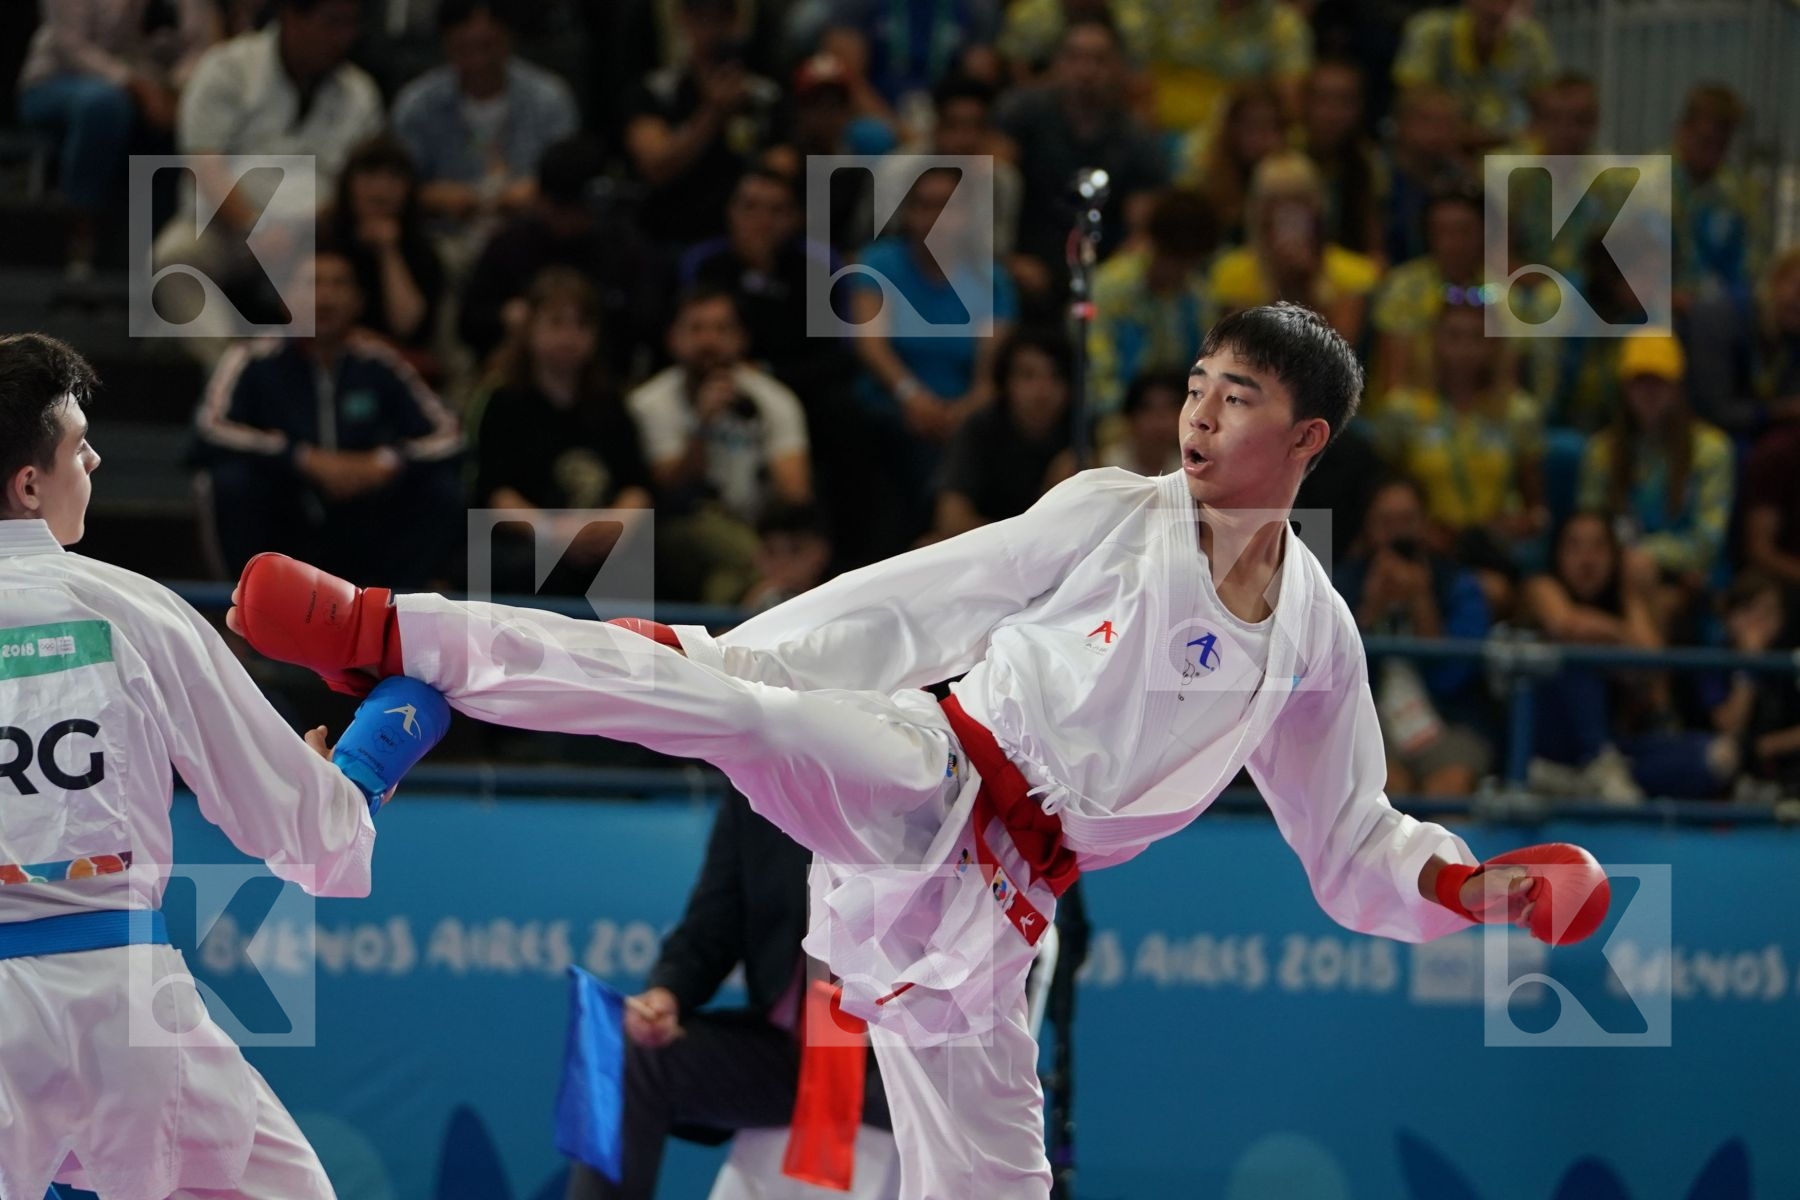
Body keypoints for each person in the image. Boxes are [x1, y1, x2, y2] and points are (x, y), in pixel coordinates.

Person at [228, 303, 1603, 1200]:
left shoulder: (1315, 636)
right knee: (733, 702)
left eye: (1234, 397)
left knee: (1001, 1187)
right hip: (926, 776)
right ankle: (389, 630)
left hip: (1001, 924)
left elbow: (1352, 836)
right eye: (1193, 383)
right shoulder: (1114, 509)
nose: (1196, 412)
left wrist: (1465, 892)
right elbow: (919, 598)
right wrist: (747, 653)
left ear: (1304, 438)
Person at [0, 332, 446, 1200]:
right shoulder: (129, 610)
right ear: (28, 485)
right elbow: (294, 820)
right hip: (118, 1006)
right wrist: (359, 766)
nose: (92, 457)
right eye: (75, 445)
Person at [563, 791, 891, 1200]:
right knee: (632, 1053)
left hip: (890, 1061)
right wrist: (668, 993)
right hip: (787, 1054)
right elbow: (712, 926)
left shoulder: (908, 780)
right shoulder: (754, 787)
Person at [194, 248, 464, 588]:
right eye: (313, 283)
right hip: (286, 508)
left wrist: (384, 461)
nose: (326, 295)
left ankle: (398, 612)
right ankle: (242, 609)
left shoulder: (380, 363)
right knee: (228, 481)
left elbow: (447, 435)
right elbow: (212, 429)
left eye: (339, 284)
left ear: (359, 301)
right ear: (286, 298)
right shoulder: (252, 359)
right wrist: (302, 459)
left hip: (365, 509)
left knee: (441, 489)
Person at [153, 0, 384, 357]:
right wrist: (255, 228)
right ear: (291, 16)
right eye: (332, 22)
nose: (344, 36)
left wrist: (305, 229)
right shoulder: (226, 68)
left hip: (318, 237)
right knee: (175, 259)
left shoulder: (360, 92)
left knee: (350, 269)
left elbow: (359, 184)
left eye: (351, 24)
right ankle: (231, 372)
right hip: (229, 227)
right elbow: (204, 165)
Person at [471, 268, 654, 597]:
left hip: (602, 540)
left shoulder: (611, 402)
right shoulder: (503, 401)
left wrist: (616, 525)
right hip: (528, 541)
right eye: (556, 323)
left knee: (643, 568)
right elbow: (493, 492)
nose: (569, 336)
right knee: (536, 571)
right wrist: (550, 530)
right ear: (530, 329)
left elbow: (637, 484)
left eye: (581, 325)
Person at [627, 286, 812, 605]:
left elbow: (795, 492)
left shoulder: (773, 400)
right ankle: (768, 588)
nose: (709, 342)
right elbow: (668, 489)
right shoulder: (649, 403)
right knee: (707, 528)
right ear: (674, 338)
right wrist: (703, 424)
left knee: (726, 581)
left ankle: (738, 619)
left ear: (742, 339)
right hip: (679, 533)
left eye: (721, 329)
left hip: (753, 532)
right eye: (696, 329)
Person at [16, 0, 219, 277]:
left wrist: (176, 87)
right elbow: (70, 46)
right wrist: (135, 84)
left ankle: (160, 251)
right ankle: (80, 234)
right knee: (106, 105)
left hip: (156, 83)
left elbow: (200, 43)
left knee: (196, 108)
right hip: (61, 79)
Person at [1335, 476, 1494, 796]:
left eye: (1407, 520)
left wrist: (1422, 601)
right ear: (1369, 528)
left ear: (1424, 524)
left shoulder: (1458, 585)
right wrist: (1370, 609)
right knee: (1385, 787)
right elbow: (1331, 673)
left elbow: (1455, 677)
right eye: (1386, 521)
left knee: (1448, 787)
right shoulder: (1340, 584)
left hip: (1447, 717)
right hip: (1368, 718)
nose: (1397, 532)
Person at [1576, 332, 1734, 640]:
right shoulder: (1601, 451)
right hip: (1618, 573)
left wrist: (1644, 554)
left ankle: (1651, 682)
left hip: (1692, 577)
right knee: (1643, 581)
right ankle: (1656, 684)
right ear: (1624, 388)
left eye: (1659, 381)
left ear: (1678, 387)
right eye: (1639, 381)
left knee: (1645, 573)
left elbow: (1707, 542)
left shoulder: (1712, 449)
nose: (1649, 392)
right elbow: (1590, 528)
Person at [391, 0, 579, 235]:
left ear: (510, 39)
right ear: (445, 42)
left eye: (487, 46)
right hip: (444, 238)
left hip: (531, 239)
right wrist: (434, 196)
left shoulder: (549, 99)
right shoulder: (416, 104)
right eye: (464, 48)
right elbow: (393, 186)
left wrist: (538, 191)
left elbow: (571, 180)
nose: (478, 61)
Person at [1208, 153, 1381, 345]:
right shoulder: (1231, 273)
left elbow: (1339, 354)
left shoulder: (1354, 274)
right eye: (1274, 201)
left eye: (1298, 200)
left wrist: (1306, 284)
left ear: (1318, 206)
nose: (1286, 211)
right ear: (1257, 210)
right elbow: (1243, 352)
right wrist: (1280, 283)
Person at [932, 327, 1079, 539]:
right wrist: (1029, 533)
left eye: (1056, 376)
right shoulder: (979, 430)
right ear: (1005, 383)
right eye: (1028, 376)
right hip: (987, 555)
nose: (1043, 390)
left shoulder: (1081, 431)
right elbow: (951, 521)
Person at [324, 134, 447, 362]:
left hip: (394, 367)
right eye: (369, 176)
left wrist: (389, 252)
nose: (381, 191)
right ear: (348, 184)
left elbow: (408, 326)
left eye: (394, 179)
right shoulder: (322, 240)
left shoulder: (421, 252)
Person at [1392, 0, 1555, 152]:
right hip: (1443, 147)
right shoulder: (1431, 31)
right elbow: (1415, 111)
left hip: (1506, 148)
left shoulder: (1530, 38)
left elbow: (1550, 108)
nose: (1498, 9)